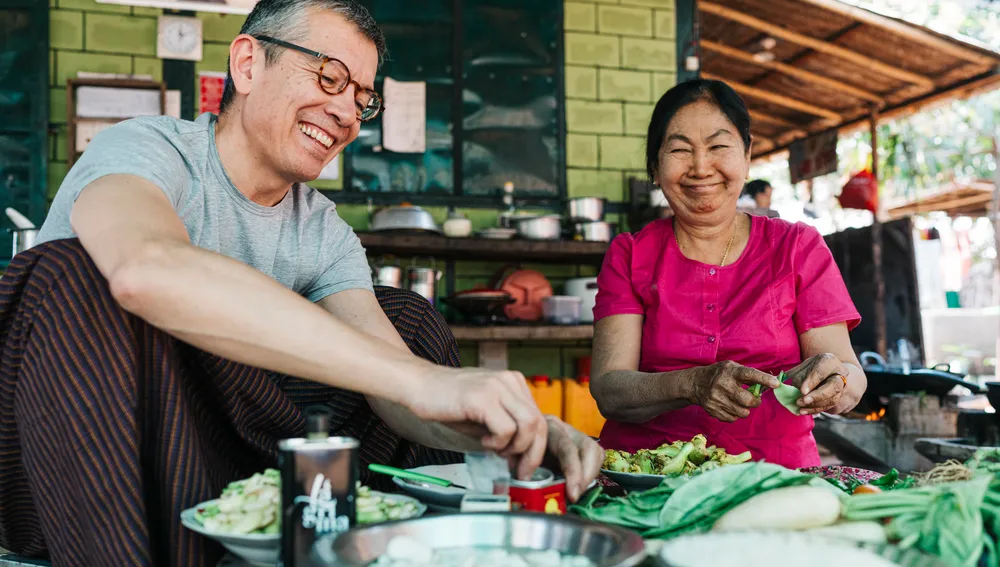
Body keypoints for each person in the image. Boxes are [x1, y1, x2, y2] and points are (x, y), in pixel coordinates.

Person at [1, 0, 601, 562]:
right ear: (248, 62)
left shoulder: (321, 230)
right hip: (84, 465)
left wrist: (527, 428)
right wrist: (418, 381)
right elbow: (143, 269)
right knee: (74, 276)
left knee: (408, 321)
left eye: (362, 98)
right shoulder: (150, 151)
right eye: (330, 77)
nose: (346, 113)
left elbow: (397, 389)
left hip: (230, 464)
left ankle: (398, 544)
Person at [589, 79, 867, 469]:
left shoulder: (797, 247)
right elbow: (609, 389)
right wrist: (690, 385)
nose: (701, 168)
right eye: (680, 150)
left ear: (747, 155)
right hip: (645, 475)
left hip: (775, 477)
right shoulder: (629, 254)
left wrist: (835, 381)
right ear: (655, 167)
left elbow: (850, 374)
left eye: (719, 147)